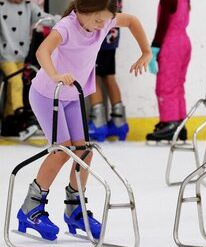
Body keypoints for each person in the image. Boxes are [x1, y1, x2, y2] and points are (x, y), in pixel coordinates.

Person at [17, 0, 151, 241]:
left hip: (73, 95)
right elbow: (42, 51)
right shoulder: (67, 26)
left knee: (85, 152)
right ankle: (31, 207)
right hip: (48, 94)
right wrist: (55, 74)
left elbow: (131, 21)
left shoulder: (105, 21)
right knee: (61, 151)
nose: (101, 25)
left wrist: (146, 51)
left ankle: (74, 209)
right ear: (81, 10)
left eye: (105, 21)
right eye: (97, 20)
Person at [0, 0, 57, 139]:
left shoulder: (28, 6)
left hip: (20, 54)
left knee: (13, 85)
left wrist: (63, 21)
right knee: (16, 83)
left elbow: (43, 18)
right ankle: (20, 117)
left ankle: (9, 123)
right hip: (4, 54)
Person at [146, 0, 191, 142]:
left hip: (171, 42)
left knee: (166, 85)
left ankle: (170, 123)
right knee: (177, 85)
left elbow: (164, 22)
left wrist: (155, 45)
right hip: (184, 42)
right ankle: (179, 124)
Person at [88, 0, 129, 142]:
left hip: (100, 32)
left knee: (91, 75)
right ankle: (120, 122)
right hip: (113, 33)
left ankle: (98, 123)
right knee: (109, 75)